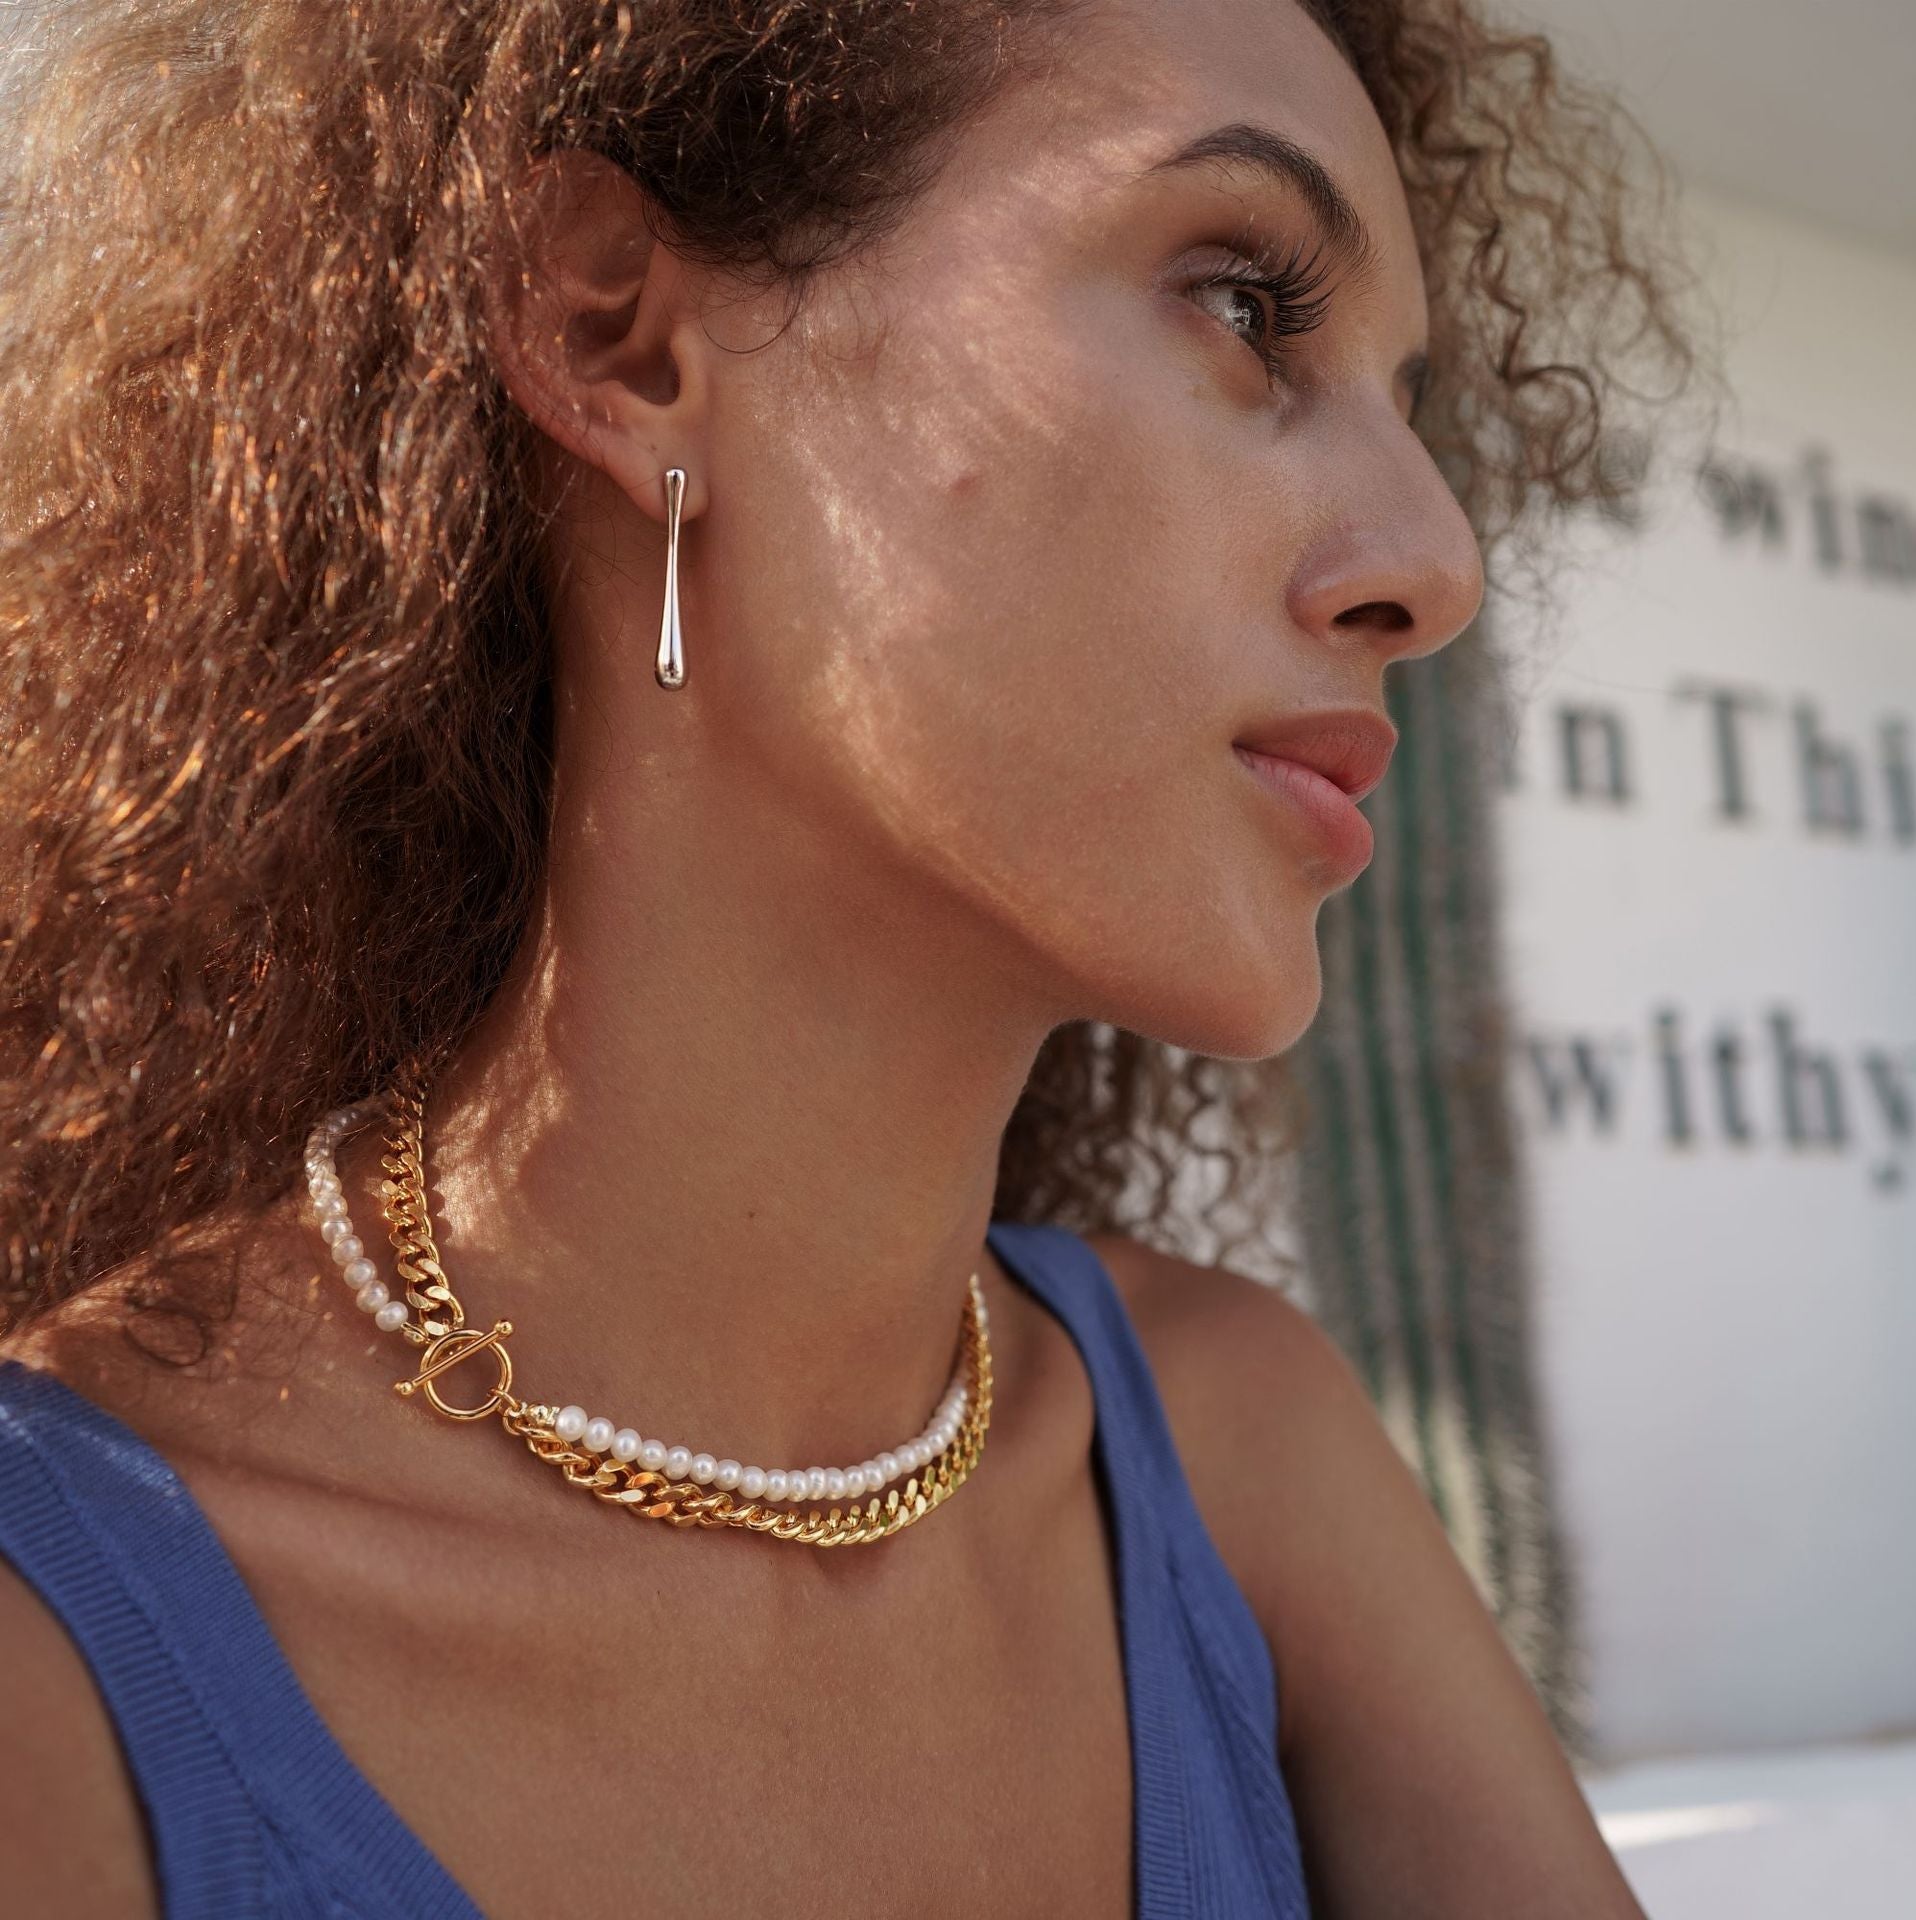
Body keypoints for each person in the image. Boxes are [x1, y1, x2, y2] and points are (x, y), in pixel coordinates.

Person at [0, 0, 1696, 1912]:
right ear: (616, 341)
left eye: (1414, 399)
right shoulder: (61, 1646)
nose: (1439, 559)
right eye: (1243, 302)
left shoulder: (1239, 1456)